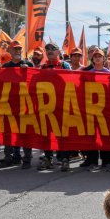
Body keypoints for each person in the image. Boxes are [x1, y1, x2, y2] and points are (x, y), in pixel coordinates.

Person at [0, 40, 37, 169]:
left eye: (19, 49)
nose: (17, 51)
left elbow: (36, 81)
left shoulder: (28, 64)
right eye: (14, 49)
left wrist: (29, 70)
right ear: (9, 51)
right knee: (8, 133)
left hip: (25, 104)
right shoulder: (5, 67)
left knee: (25, 133)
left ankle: (27, 159)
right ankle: (8, 158)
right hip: (9, 105)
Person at [80, 48, 110, 171]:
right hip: (91, 108)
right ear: (92, 59)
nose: (97, 58)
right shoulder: (87, 73)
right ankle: (92, 161)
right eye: (95, 56)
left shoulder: (109, 73)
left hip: (105, 110)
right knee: (92, 135)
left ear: (103, 59)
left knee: (106, 135)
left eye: (99, 56)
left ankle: (107, 162)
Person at [37, 42, 73, 171]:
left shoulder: (65, 65)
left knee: (63, 133)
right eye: (47, 49)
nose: (50, 51)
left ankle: (64, 159)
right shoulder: (42, 67)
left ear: (59, 52)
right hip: (46, 105)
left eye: (53, 49)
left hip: (61, 105)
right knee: (46, 133)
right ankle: (47, 158)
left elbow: (71, 81)